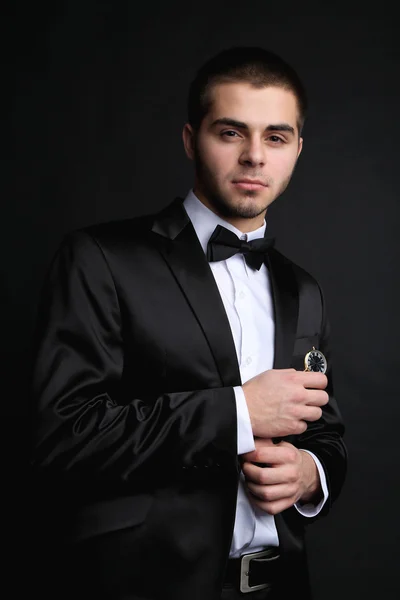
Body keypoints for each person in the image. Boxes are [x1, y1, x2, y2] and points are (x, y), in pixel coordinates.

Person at [29, 46, 347, 600]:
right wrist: (239, 411)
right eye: (230, 132)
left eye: (275, 137)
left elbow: (326, 436)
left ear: (297, 148)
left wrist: (308, 472)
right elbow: (62, 438)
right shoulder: (99, 258)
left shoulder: (305, 289)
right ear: (189, 139)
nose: (254, 156)